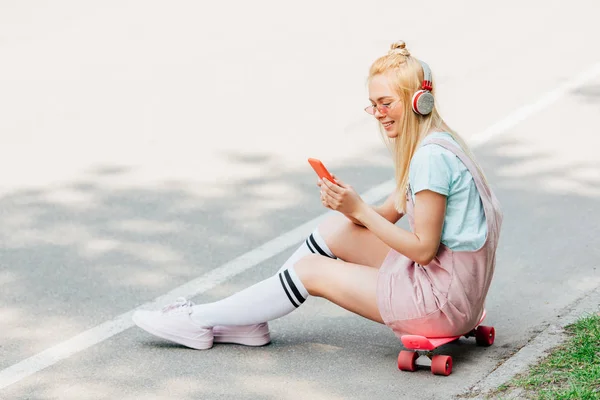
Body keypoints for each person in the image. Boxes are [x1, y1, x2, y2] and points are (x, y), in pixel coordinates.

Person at [132, 40, 503, 350]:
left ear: (418, 100)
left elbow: (423, 249)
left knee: (309, 271)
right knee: (335, 229)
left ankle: (198, 320)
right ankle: (248, 320)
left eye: (385, 102)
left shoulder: (430, 160)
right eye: (373, 104)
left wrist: (360, 210)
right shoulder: (439, 144)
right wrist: (349, 207)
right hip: (452, 291)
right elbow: (388, 214)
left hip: (440, 304)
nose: (377, 113)